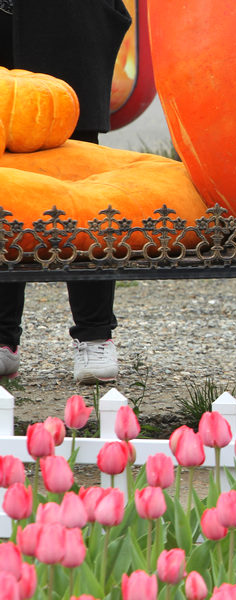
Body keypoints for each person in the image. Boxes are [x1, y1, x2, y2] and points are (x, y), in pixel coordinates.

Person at [0, 0, 131, 383]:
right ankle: (2, 335)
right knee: (4, 179)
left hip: (65, 15)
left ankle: (94, 333)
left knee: (79, 177)